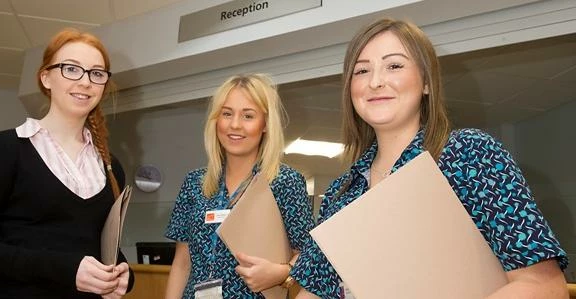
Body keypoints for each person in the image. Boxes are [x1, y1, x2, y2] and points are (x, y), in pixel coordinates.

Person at [292, 18, 569, 298]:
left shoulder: (469, 155)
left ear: (426, 82)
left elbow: (544, 286)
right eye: (361, 71)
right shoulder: (341, 194)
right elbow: (313, 292)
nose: (375, 82)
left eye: (394, 66)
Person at [0, 28, 134, 298]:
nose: (85, 81)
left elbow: (98, 246)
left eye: (96, 73)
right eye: (71, 69)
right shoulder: (6, 149)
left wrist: (123, 273)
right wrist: (65, 269)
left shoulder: (110, 165)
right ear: (46, 78)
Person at [164, 73, 315, 298]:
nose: (235, 125)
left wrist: (282, 273)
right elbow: (182, 264)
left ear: (265, 124)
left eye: (248, 116)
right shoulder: (194, 183)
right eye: (227, 114)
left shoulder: (284, 182)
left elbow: (310, 255)